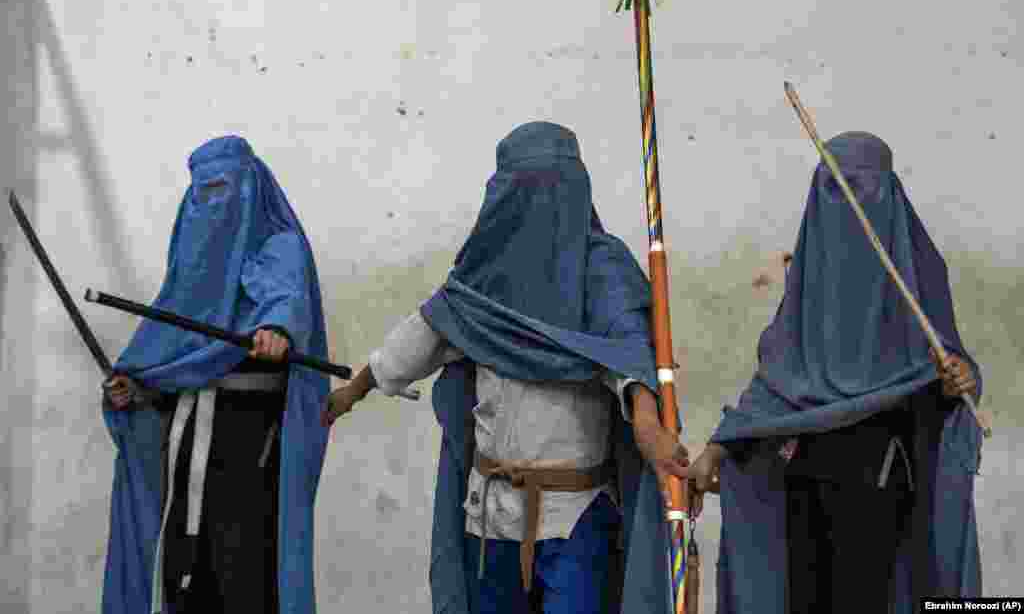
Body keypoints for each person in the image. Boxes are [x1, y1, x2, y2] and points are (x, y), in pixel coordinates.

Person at [324, 121, 691, 614]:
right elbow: (418, 337)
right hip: (491, 517)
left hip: (577, 517)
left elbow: (628, 354)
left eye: (553, 186)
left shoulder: (602, 270)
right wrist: (351, 391)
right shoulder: (481, 276)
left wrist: (646, 422)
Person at [686, 131, 983, 614]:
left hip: (883, 477)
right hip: (803, 476)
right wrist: (715, 451)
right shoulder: (810, 281)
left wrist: (958, 382)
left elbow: (949, 369)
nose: (848, 206)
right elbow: (775, 386)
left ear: (890, 193)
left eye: (864, 190)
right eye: (833, 191)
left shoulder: (918, 273)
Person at [99, 136, 330, 614]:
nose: (212, 203)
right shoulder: (195, 251)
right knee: (185, 569)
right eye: (202, 192)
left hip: (252, 442)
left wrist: (276, 329)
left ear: (251, 188)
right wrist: (139, 386)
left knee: (245, 571)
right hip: (186, 443)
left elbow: (285, 299)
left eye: (224, 188)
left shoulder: (279, 244)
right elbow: (175, 350)